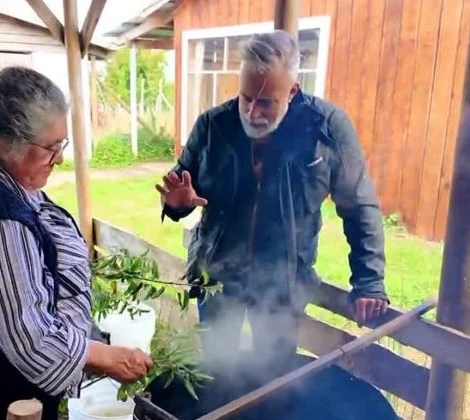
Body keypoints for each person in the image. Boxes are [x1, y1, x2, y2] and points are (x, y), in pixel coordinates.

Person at [0, 66, 152, 420]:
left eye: (62, 144)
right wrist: (106, 356)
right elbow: (33, 340)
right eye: (50, 147)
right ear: (5, 141)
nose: (59, 158)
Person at [156, 31, 389, 368]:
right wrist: (177, 204)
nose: (252, 111)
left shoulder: (325, 129)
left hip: (283, 285)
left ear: (292, 91)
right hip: (218, 279)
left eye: (266, 102)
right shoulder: (212, 126)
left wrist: (368, 281)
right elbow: (179, 188)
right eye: (245, 97)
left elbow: (359, 206)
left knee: (274, 378)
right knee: (217, 371)